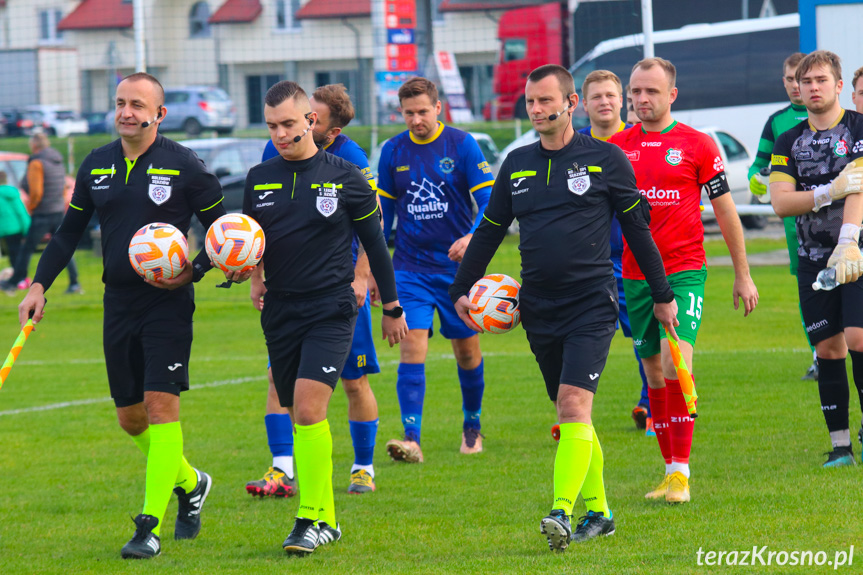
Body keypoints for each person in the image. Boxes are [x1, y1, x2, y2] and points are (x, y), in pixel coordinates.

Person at [450, 64, 676, 551]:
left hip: (592, 303)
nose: (536, 110)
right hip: (538, 308)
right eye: (530, 102)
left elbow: (639, 230)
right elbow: (489, 231)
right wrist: (460, 290)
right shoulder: (517, 164)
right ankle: (601, 513)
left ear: (571, 104)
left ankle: (561, 511)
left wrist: (662, 295)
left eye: (545, 101)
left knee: (573, 405)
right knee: (573, 414)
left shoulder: (607, 160)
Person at [16, 72, 237, 559]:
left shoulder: (186, 166)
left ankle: (148, 526)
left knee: (161, 409)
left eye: (138, 104)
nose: (126, 112)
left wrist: (194, 271)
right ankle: (191, 481)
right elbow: (69, 233)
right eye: (120, 103)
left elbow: (225, 232)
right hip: (116, 303)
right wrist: (37, 285)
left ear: (159, 114)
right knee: (130, 419)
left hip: (166, 306)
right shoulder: (96, 163)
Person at [245, 81, 407, 555]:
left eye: (289, 124)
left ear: (311, 122)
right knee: (300, 414)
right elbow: (249, 237)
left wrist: (391, 305)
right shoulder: (260, 177)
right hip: (280, 310)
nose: (280, 133)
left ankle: (309, 519)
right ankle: (329, 519)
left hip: (332, 309)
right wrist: (244, 275)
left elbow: (376, 243)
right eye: (272, 126)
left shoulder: (346, 175)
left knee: (312, 409)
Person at [609, 58, 759, 504]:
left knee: (678, 363)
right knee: (653, 372)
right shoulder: (616, 148)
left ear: (672, 95)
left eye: (650, 91)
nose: (640, 99)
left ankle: (682, 477)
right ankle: (671, 472)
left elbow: (726, 211)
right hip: (634, 274)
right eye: (635, 91)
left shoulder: (697, 145)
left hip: (685, 270)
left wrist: (743, 274)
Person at [377, 77, 494, 462]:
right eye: (408, 113)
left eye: (423, 111)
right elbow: (381, 220)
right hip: (409, 269)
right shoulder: (393, 151)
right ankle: (412, 439)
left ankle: (472, 427)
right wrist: (377, 272)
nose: (415, 120)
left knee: (466, 352)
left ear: (438, 108)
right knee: (412, 346)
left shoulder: (461, 145)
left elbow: (490, 203)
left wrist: (472, 238)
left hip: (457, 272)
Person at [770, 50, 863, 467]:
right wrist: (828, 192)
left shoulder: (859, 127)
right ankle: (840, 445)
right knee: (827, 348)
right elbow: (781, 202)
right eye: (804, 82)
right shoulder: (788, 140)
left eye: (820, 80)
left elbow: (859, 186)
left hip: (856, 252)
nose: (811, 88)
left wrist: (849, 240)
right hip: (812, 259)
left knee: (858, 337)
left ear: (838, 85)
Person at [577, 70, 652, 435]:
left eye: (611, 95)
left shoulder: (637, 142)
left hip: (635, 259)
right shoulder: (572, 147)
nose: (604, 102)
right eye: (597, 96)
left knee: (645, 338)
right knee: (577, 337)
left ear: (621, 99)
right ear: (582, 102)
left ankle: (652, 407)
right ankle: (572, 414)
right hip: (588, 265)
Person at [748, 52, 816, 380]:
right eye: (789, 79)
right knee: (809, 288)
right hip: (796, 227)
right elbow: (758, 167)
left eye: (800, 79)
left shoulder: (842, 121)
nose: (795, 86)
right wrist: (758, 181)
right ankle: (819, 354)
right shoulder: (777, 122)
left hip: (840, 220)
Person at [1, 133, 81, 295]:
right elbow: (63, 186)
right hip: (57, 210)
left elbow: (36, 191)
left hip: (43, 212)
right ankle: (74, 282)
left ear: (35, 146)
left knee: (27, 249)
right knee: (63, 247)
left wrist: (31, 206)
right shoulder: (57, 161)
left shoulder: (37, 163)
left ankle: (14, 281)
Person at [0, 170, 30, 273]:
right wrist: (27, 229)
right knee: (18, 254)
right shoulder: (13, 193)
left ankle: (16, 277)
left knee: (11, 255)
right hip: (16, 228)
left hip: (3, 230)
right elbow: (21, 212)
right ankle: (20, 277)